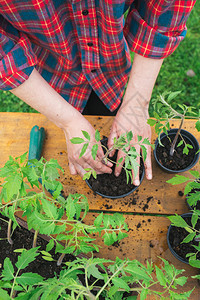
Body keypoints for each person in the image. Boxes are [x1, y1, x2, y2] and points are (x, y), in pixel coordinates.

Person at [0, 0, 196, 184]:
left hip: (110, 72)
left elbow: (167, 8)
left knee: (113, 128)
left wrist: (136, 104)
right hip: (52, 74)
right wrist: (68, 122)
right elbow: (4, 53)